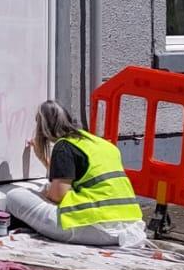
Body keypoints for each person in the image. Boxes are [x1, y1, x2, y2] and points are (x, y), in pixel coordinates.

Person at [9, 101, 148, 247]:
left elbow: (57, 196)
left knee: (14, 196)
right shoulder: (101, 144)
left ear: (43, 128)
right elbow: (73, 177)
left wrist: (46, 194)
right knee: (45, 188)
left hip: (97, 228)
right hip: (130, 226)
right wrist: (44, 160)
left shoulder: (64, 146)